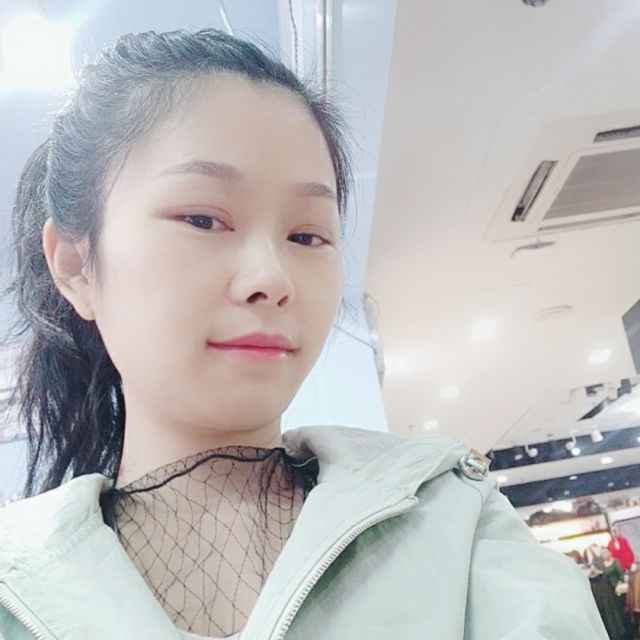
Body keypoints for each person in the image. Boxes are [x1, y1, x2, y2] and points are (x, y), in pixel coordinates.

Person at [0, 28, 608, 640]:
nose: (272, 278)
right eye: (203, 219)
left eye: (307, 236)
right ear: (75, 265)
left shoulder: (455, 519)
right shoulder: (16, 586)